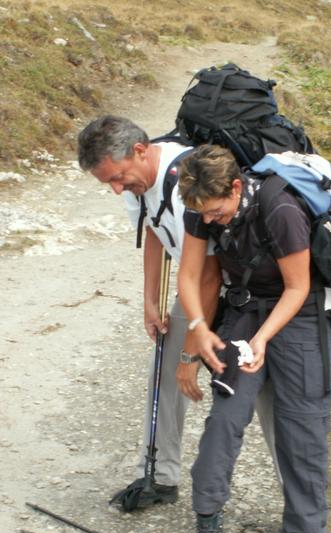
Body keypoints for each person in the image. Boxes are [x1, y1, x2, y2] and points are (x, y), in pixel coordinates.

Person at [77, 116, 277, 508]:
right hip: (195, 287)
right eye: (109, 183)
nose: (117, 188)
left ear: (139, 150)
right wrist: (150, 301)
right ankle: (160, 477)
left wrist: (190, 354)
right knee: (164, 380)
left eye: (118, 177)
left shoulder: (187, 178)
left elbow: (208, 274)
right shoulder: (139, 185)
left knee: (265, 397)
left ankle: (302, 512)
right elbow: (152, 231)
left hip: (244, 295)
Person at [177, 144, 331, 533]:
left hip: (298, 313)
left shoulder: (280, 208)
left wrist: (264, 339)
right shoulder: (199, 206)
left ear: (235, 186)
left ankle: (305, 530)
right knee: (224, 418)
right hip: (245, 309)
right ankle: (207, 519)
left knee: (302, 420)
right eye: (203, 215)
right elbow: (189, 275)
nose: (210, 221)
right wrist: (199, 329)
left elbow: (298, 287)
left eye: (216, 212)